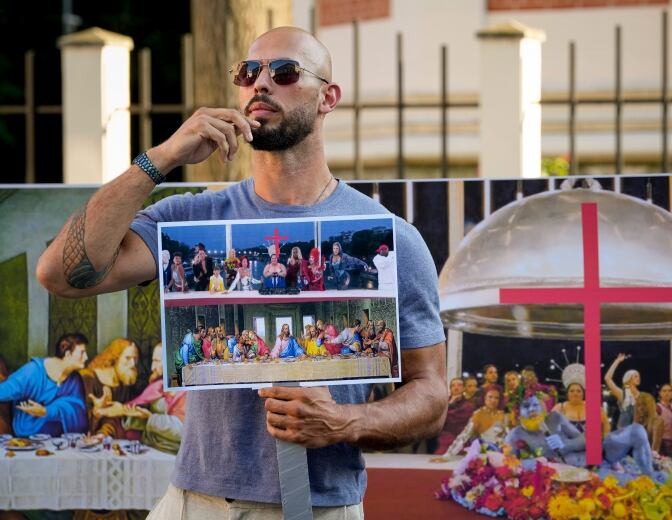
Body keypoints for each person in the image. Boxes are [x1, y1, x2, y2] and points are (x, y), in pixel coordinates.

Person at [36, 26, 446, 517]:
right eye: (249, 72)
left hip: (315, 506)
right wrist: (160, 159)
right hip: (194, 501)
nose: (260, 84)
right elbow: (61, 275)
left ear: (328, 97)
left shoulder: (390, 237)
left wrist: (343, 421)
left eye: (285, 72)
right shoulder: (191, 219)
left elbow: (431, 395)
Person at [505, 393, 656, 476]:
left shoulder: (554, 418)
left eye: (535, 405)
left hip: (597, 458)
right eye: (526, 406)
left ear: (542, 407)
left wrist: (565, 445)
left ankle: (650, 479)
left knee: (637, 430)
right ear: (518, 410)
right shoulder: (515, 435)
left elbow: (586, 439)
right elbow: (509, 466)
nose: (532, 410)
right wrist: (543, 462)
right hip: (570, 475)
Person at [0, 333, 89, 437]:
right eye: (82, 353)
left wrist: (45, 411)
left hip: (61, 441)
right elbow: (6, 390)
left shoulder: (75, 380)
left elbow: (79, 413)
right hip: (29, 436)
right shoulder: (33, 371)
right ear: (68, 354)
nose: (86, 357)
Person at [124, 343, 187, 454]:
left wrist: (150, 419)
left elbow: (184, 430)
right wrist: (132, 415)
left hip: (172, 453)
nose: (153, 367)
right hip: (148, 447)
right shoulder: (158, 385)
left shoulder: (186, 390)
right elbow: (138, 408)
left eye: (157, 361)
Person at [79, 338, 145, 438]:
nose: (133, 364)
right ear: (115, 358)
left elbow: (117, 419)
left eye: (135, 359)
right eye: (127, 358)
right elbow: (79, 418)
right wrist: (96, 412)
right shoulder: (88, 378)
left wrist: (104, 433)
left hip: (106, 439)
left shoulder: (125, 383)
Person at [433, 386, 505, 460]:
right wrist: (447, 455)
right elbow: (463, 437)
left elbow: (506, 438)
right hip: (483, 455)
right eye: (490, 397)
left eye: (497, 398)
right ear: (484, 398)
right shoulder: (478, 415)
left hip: (500, 455)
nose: (493, 400)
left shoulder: (503, 415)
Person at [604, 353, 640, 429]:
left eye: (638, 376)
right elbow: (607, 378)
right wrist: (617, 361)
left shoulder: (641, 395)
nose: (638, 378)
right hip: (624, 430)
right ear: (629, 378)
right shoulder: (623, 394)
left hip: (637, 430)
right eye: (635, 376)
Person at [656, 384, 672, 458]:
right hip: (662, 441)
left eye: (669, 391)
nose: (667, 393)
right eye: (664, 391)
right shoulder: (657, 407)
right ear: (660, 393)